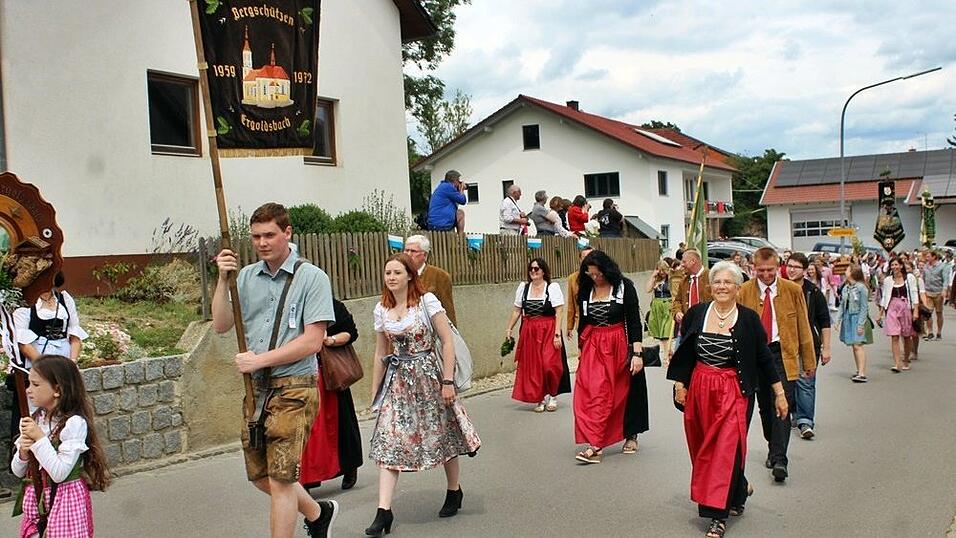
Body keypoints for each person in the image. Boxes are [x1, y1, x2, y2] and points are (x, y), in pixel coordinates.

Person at [212, 202, 339, 537]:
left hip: (296, 387)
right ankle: (317, 513)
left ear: (287, 232)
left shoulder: (312, 277)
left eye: (269, 234)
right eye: (256, 236)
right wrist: (223, 281)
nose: (262, 242)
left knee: (283, 479)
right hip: (257, 390)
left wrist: (259, 360)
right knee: (260, 475)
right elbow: (221, 325)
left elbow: (312, 342)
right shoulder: (246, 278)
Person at [668, 262, 787, 538]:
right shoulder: (697, 313)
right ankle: (739, 487)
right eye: (717, 282)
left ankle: (716, 517)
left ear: (737, 287)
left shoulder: (748, 319)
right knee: (703, 450)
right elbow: (684, 351)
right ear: (711, 287)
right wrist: (679, 384)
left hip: (733, 391)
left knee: (725, 451)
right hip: (700, 388)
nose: (722, 287)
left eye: (727, 282)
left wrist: (779, 394)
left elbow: (764, 359)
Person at [366, 254, 481, 536]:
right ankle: (384, 512)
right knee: (389, 441)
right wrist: (375, 392)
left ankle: (454, 490)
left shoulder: (427, 302)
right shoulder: (381, 309)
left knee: (444, 434)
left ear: (409, 275)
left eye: (396, 272)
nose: (391, 277)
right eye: (387, 273)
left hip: (430, 375)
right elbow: (382, 352)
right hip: (398, 381)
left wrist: (448, 380)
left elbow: (447, 340)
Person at [737, 247, 815, 483]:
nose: (766, 274)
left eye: (770, 270)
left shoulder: (792, 290)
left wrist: (809, 360)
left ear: (778, 266)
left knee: (782, 405)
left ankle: (780, 459)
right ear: (753, 268)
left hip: (782, 353)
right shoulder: (744, 291)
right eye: (760, 270)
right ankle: (773, 445)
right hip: (754, 356)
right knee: (764, 407)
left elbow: (803, 325)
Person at [12, 355, 111, 538]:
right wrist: (23, 453)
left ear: (57, 389)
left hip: (65, 500)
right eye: (28, 384)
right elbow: (18, 472)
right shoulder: (35, 420)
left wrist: (40, 440)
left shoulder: (73, 424)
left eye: (35, 384)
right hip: (38, 498)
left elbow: (59, 473)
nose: (28, 390)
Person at [573, 251, 647, 463]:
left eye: (599, 274)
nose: (595, 278)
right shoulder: (586, 289)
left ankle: (605, 443)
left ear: (607, 269)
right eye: (591, 274)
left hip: (617, 344)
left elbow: (634, 322)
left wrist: (637, 353)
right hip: (593, 345)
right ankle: (596, 438)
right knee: (589, 392)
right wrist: (581, 347)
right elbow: (584, 321)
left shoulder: (624, 287)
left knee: (616, 394)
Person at [299, 298, 363, 491]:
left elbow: (351, 332)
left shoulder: (329, 304)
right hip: (299, 374)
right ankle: (307, 478)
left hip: (328, 373)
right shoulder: (286, 304)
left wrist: (330, 340)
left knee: (340, 424)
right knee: (305, 429)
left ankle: (349, 465)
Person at [504, 258, 571, 412]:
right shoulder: (524, 288)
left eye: (537, 269)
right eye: (531, 269)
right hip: (530, 330)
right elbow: (516, 310)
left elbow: (559, 311)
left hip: (548, 328)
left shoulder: (552, 288)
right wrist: (509, 329)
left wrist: (557, 334)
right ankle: (539, 398)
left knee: (550, 364)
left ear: (543, 271)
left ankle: (553, 395)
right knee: (534, 367)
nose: (533, 271)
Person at [786, 253, 831, 440]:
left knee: (805, 383)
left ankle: (806, 421)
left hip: (808, 344)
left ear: (805, 270)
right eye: (789, 265)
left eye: (796, 267)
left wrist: (826, 348)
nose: (791, 269)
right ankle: (794, 413)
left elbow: (824, 321)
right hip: (785, 344)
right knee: (789, 382)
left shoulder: (813, 292)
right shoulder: (780, 289)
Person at [875, 257, 919, 373]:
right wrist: (880, 314)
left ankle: (905, 360)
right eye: (892, 265)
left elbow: (914, 294)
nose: (894, 267)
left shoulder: (909, 278)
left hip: (905, 306)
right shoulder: (888, 280)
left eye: (896, 265)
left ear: (901, 265)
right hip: (892, 307)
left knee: (906, 335)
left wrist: (915, 310)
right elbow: (885, 297)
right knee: (894, 335)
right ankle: (897, 363)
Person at [403, 235, 457, 325]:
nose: (408, 254)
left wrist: (450, 336)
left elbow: (448, 310)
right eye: (406, 250)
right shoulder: (397, 274)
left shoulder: (440, 276)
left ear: (425, 255)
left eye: (413, 251)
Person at [838, 265, 871, 382]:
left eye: (847, 270)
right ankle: (859, 370)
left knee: (858, 345)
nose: (845, 272)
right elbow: (842, 305)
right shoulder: (846, 288)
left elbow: (864, 308)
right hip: (848, 318)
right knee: (853, 345)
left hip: (857, 318)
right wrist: (838, 320)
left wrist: (861, 324)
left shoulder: (861, 288)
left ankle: (862, 373)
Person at [671, 249, 712, 337]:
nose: (681, 265)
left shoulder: (712, 278)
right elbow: (677, 301)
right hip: (687, 328)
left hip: (706, 328)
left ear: (693, 261)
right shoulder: (684, 282)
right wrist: (677, 312)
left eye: (684, 262)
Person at [645, 260, 675, 354]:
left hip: (668, 305)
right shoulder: (656, 279)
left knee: (666, 331)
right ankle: (668, 352)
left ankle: (667, 353)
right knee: (660, 333)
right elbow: (647, 289)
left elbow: (674, 292)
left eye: (663, 270)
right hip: (657, 306)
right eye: (660, 270)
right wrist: (653, 276)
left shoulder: (670, 279)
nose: (662, 273)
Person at [565, 246, 595, 335]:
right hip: (582, 323)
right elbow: (571, 304)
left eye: (591, 257)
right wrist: (569, 326)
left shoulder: (602, 276)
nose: (588, 260)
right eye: (585, 258)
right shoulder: (573, 278)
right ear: (580, 260)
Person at [921, 250, 945, 340]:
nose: (926, 258)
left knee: (939, 313)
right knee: (928, 313)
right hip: (928, 292)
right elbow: (923, 278)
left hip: (938, 292)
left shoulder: (941, 266)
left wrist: (944, 290)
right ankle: (930, 331)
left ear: (934, 257)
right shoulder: (926, 267)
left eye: (928, 256)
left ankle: (939, 332)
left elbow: (945, 279)